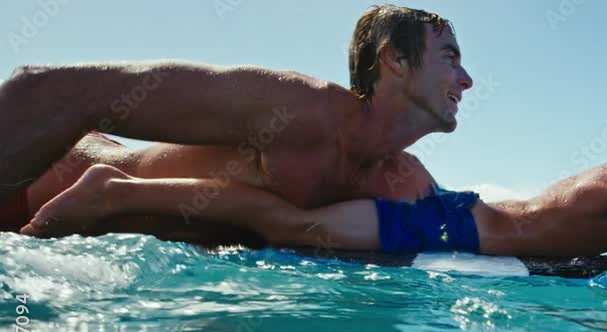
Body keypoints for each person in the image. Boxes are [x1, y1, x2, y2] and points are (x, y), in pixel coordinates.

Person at [22, 76, 607, 289]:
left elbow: (581, 235)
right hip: (446, 225)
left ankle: (121, 190)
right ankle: (118, 190)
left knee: (292, 229)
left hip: (455, 222)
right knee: (293, 227)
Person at [0, 5, 471, 242]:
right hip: (41, 184)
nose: (467, 80)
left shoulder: (403, 181)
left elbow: (489, 228)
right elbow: (48, 91)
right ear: (395, 59)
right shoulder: (296, 109)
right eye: (450, 58)